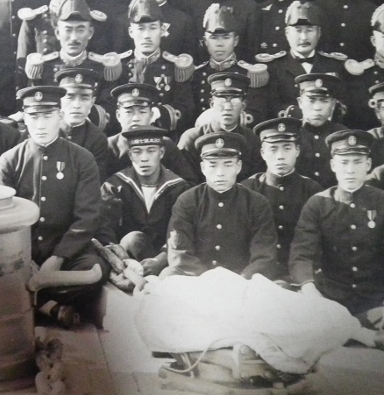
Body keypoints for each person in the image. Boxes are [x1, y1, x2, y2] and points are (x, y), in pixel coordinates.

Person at [0, 85, 108, 327]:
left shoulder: (82, 159)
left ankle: (31, 302)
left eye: (48, 116)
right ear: (24, 118)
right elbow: (1, 219)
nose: (41, 124)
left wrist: (58, 256)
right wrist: (24, 257)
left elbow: (88, 217)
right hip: (21, 252)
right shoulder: (10, 160)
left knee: (93, 271)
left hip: (68, 251)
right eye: (34, 117)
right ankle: (48, 306)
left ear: (60, 116)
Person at [290, 130, 384, 327]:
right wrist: (310, 290)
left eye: (357, 162)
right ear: (333, 165)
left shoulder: (381, 201)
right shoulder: (318, 204)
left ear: (368, 165)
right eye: (344, 162)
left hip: (376, 298)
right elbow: (301, 254)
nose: (350, 170)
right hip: (331, 299)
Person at [164, 131, 278, 279]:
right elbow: (179, 254)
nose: (220, 173)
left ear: (239, 166)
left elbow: (264, 257)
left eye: (228, 164)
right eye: (212, 165)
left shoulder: (257, 203)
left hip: (243, 283)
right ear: (203, 167)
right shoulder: (187, 201)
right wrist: (209, 281)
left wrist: (240, 281)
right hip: (197, 282)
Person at [98, 125, 190, 277]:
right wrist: (121, 260)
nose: (144, 158)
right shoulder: (115, 185)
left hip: (166, 260)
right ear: (130, 155)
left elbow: (181, 232)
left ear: (161, 153)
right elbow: (104, 229)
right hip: (126, 262)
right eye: (137, 152)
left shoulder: (178, 187)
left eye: (151, 151)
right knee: (133, 239)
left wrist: (160, 260)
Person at [241, 117, 323, 279]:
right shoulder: (247, 189)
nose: (280, 156)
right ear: (263, 153)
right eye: (273, 149)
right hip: (256, 275)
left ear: (297, 151)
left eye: (287, 148)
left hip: (300, 275)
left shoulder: (312, 190)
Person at [115, 0, 195, 133]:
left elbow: (186, 108)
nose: (146, 35)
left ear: (162, 30)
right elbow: (111, 107)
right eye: (140, 28)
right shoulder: (119, 66)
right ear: (130, 32)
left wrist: (159, 113)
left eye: (152, 28)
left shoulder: (175, 67)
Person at [264, 1, 345, 118]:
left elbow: (342, 104)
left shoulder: (333, 65)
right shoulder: (274, 67)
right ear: (287, 33)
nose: (304, 37)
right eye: (298, 30)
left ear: (319, 33)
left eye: (309, 30)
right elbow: (270, 106)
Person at [178, 72, 265, 181]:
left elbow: (255, 182)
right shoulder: (191, 139)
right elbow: (185, 182)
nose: (227, 107)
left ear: (243, 106)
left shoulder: (252, 140)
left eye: (234, 101)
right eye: (221, 101)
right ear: (211, 104)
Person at [192, 5, 268, 126]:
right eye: (213, 38)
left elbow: (257, 113)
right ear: (205, 41)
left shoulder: (250, 74)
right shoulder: (196, 74)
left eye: (226, 38)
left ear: (236, 41)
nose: (220, 44)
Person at [55, 67, 112, 181]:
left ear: (92, 102)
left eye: (84, 98)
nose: (77, 105)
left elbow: (94, 182)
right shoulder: (44, 130)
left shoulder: (97, 139)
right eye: (70, 97)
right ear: (60, 99)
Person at [293, 73, 348, 188]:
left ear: (333, 104)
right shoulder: (291, 133)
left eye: (324, 101)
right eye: (311, 100)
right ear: (300, 103)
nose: (317, 107)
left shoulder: (342, 134)